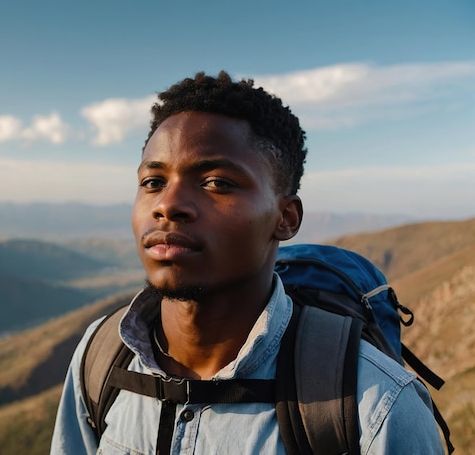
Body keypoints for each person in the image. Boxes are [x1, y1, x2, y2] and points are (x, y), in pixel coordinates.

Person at [50, 71, 443, 454]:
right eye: (153, 182)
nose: (168, 205)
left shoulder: (376, 405)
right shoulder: (101, 356)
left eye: (217, 182)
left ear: (285, 218)